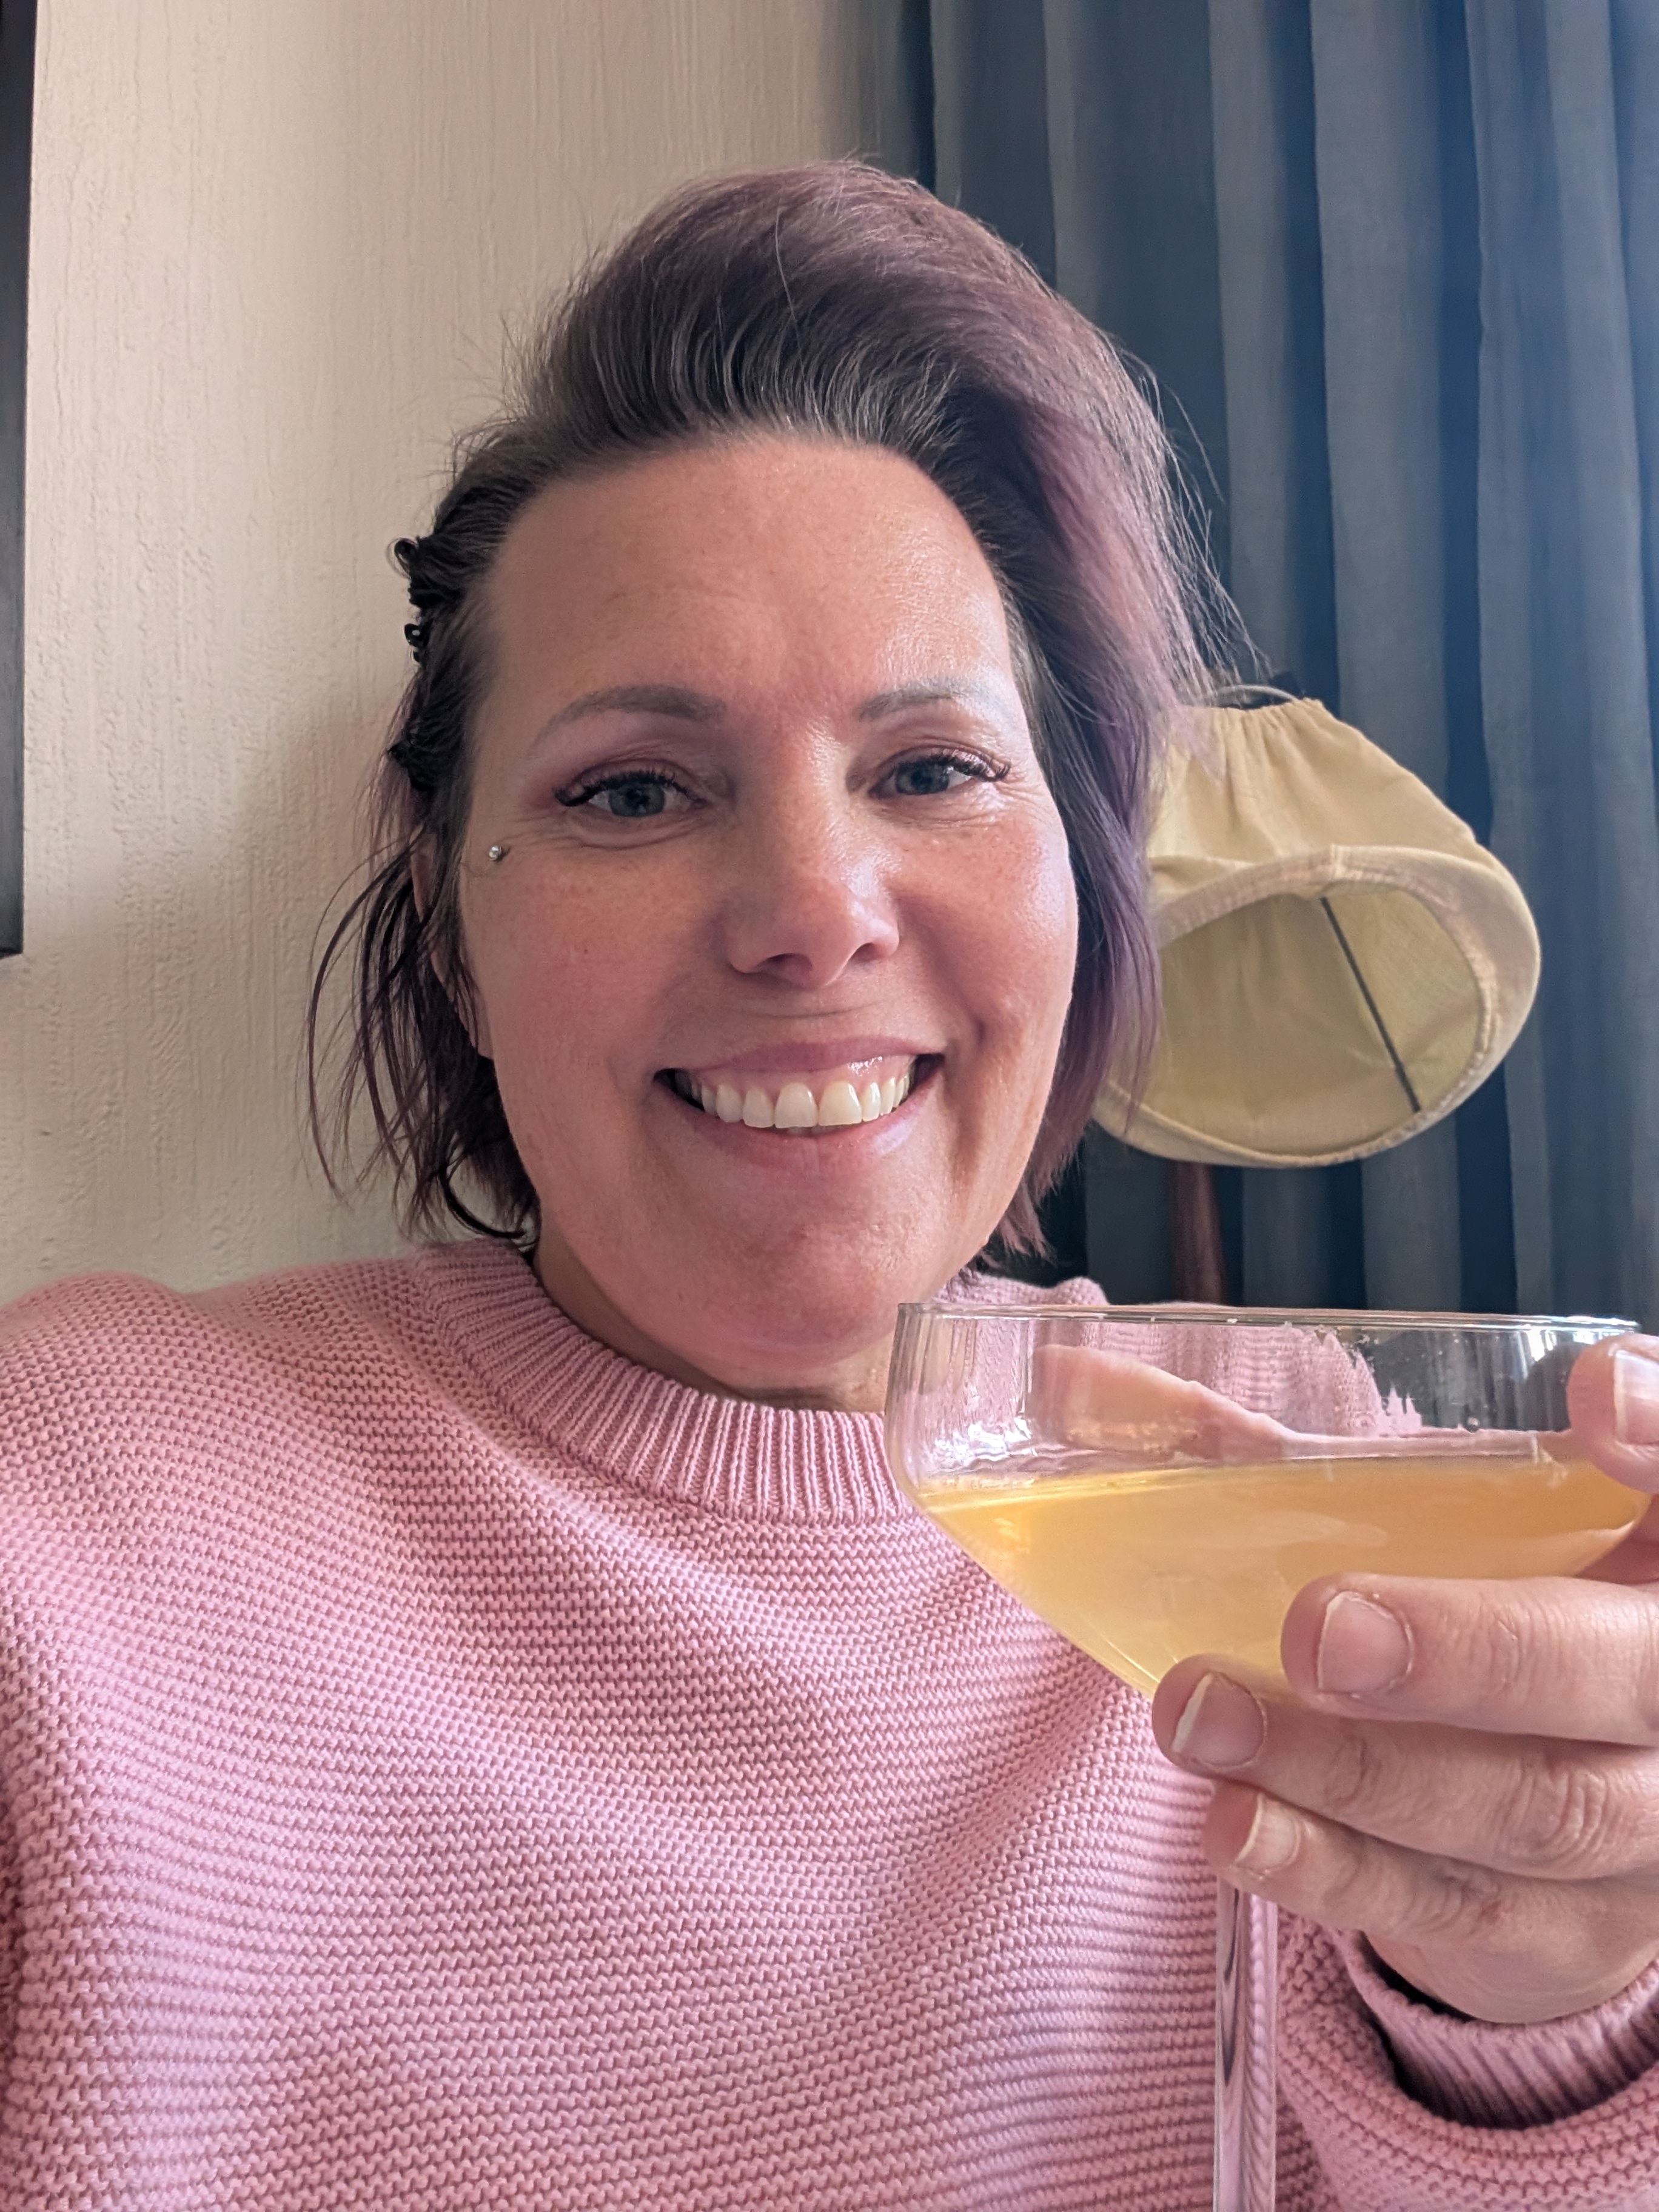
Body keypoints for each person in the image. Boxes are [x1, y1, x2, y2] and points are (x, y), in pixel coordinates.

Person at [3, 163, 1659, 2210]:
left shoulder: (1326, 1487)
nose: (811, 911)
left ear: (1082, 883)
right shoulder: (73, 1514)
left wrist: (1557, 2012)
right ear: (450, 930)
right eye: (632, 790)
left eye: (935, 771)